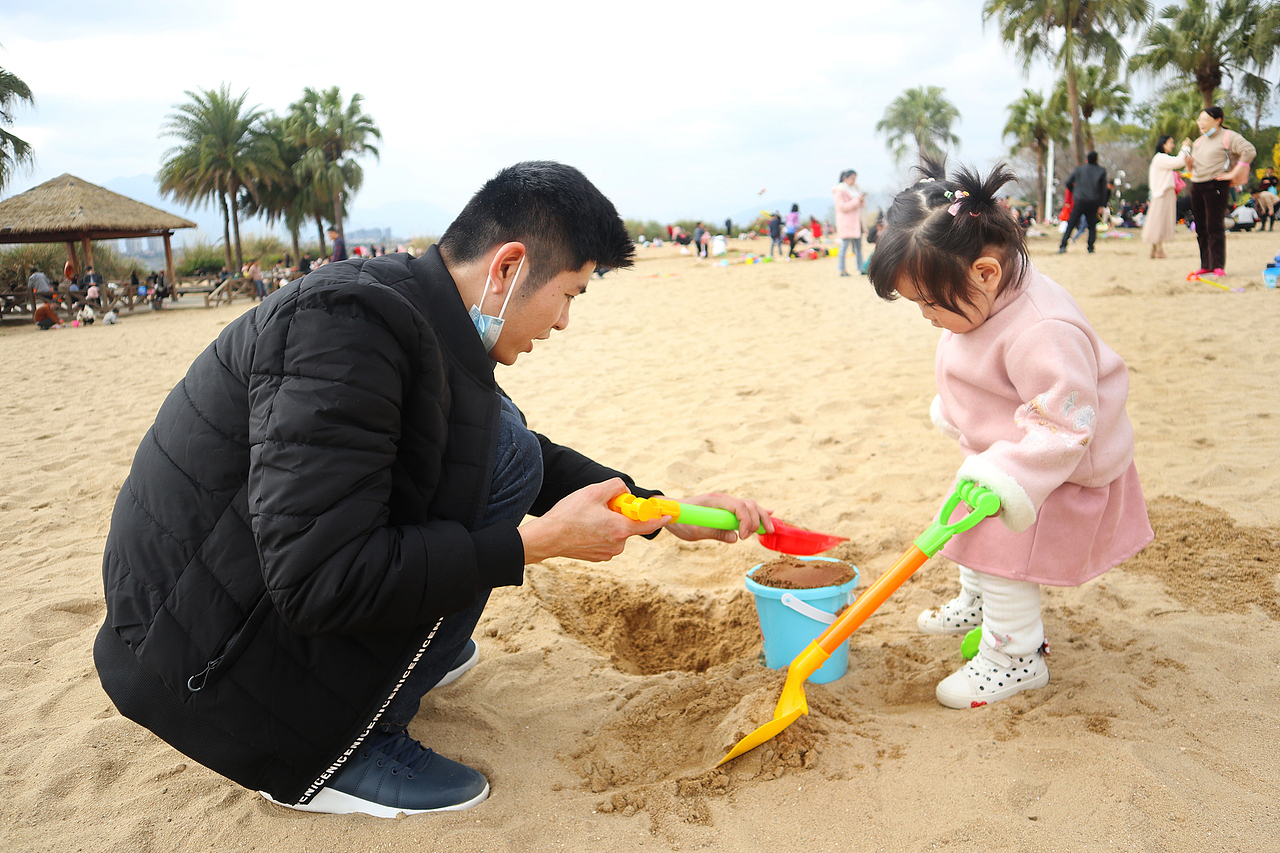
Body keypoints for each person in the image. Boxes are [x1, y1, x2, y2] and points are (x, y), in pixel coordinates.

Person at [93, 161, 772, 819]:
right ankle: (340, 750)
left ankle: (406, 659)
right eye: (569, 294)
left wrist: (666, 511)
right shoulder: (345, 328)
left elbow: (516, 455)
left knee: (501, 439)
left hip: (216, 618)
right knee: (500, 448)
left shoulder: (409, 313)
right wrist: (538, 542)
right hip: (204, 669)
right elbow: (315, 577)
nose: (564, 322)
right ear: (507, 268)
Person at [867, 158, 1153, 710]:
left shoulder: (1043, 329)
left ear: (985, 273)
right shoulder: (981, 303)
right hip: (1006, 446)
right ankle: (979, 600)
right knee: (967, 520)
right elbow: (983, 373)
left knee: (1002, 549)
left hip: (1055, 468)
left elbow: (1070, 424)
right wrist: (958, 411)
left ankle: (1014, 657)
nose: (925, 314)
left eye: (928, 301)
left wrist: (1011, 473)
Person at [1186, 106, 1255, 277]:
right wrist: (1188, 160)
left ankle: (1217, 265)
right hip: (1196, 185)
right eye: (1199, 120)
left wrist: (1233, 173)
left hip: (1216, 185)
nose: (1200, 123)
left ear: (1217, 120)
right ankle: (1206, 265)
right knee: (1200, 227)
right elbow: (1192, 166)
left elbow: (1249, 151)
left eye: (1204, 120)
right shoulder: (1198, 142)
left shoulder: (1228, 136)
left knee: (1214, 225)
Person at [1142, 135, 1192, 259]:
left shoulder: (1159, 159)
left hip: (1162, 193)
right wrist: (1185, 147)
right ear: (1163, 144)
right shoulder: (1160, 158)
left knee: (1158, 221)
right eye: (1171, 142)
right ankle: (1158, 249)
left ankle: (1155, 249)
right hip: (1163, 193)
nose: (1173, 145)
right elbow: (1179, 162)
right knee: (1160, 222)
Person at [1057, 152, 1108, 254]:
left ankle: (1063, 245)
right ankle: (1090, 247)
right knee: (1092, 225)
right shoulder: (1102, 171)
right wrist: (1102, 204)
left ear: (1086, 160)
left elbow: (1068, 182)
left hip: (1080, 200)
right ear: (1097, 159)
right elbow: (1104, 190)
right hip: (1093, 202)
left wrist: (1075, 191)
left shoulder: (1079, 170)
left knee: (1071, 224)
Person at [832, 170, 865, 277]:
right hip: (847, 224)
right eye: (852, 178)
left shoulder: (855, 188)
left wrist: (861, 200)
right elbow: (842, 207)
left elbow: (861, 205)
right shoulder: (840, 191)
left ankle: (861, 268)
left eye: (855, 178)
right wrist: (856, 200)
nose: (854, 180)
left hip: (857, 223)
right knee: (844, 247)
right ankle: (842, 269)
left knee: (859, 248)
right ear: (845, 178)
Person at [1253, 166, 1276, 232]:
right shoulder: (1264, 178)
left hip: (1271, 196)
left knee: (1271, 212)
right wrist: (1263, 209)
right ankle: (1263, 226)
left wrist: (1271, 209)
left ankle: (1271, 227)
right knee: (1263, 212)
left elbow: (1275, 183)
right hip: (1264, 196)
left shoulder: (1274, 178)